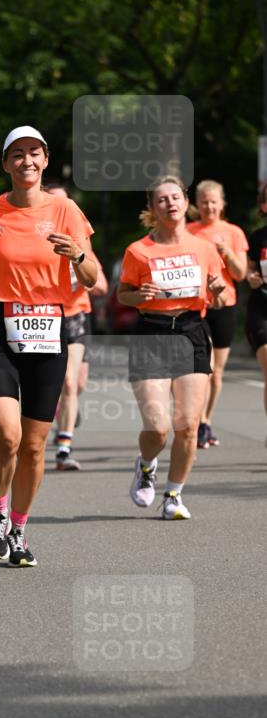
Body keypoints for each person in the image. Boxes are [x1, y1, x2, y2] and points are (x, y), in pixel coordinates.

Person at [0, 126, 97, 566]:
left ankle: (19, 530)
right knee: (7, 434)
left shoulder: (65, 209)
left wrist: (77, 255)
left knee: (35, 446)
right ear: (6, 163)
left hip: (48, 328)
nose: (27, 161)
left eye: (34, 153)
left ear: (46, 160)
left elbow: (92, 277)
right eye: (17, 154)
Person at [118, 176, 227, 520]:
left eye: (176, 197)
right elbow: (123, 295)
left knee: (188, 425)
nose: (170, 203)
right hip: (152, 333)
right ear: (152, 208)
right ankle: (146, 465)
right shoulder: (138, 251)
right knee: (158, 427)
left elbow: (220, 295)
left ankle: (173, 496)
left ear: (185, 202)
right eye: (162, 199)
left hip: (192, 331)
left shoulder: (203, 249)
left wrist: (218, 290)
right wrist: (139, 295)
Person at [43, 183, 108, 470]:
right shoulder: (36, 237)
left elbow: (99, 282)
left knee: (76, 383)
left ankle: (64, 417)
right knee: (66, 382)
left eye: (64, 203)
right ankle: (63, 448)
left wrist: (83, 277)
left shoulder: (80, 237)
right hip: (46, 316)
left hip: (76, 313)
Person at [187, 180, 248, 447]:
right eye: (204, 201)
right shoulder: (189, 231)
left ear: (222, 204)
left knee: (217, 370)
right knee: (204, 368)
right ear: (197, 204)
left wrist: (226, 252)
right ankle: (197, 421)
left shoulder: (233, 232)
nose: (209, 206)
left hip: (225, 305)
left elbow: (240, 274)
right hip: (197, 307)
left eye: (213, 201)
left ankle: (206, 421)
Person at [246, 181, 267, 432]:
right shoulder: (258, 237)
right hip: (261, 308)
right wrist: (250, 276)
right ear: (263, 206)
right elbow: (249, 268)